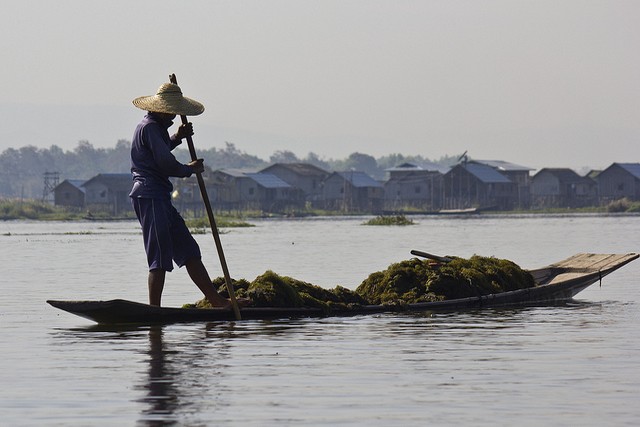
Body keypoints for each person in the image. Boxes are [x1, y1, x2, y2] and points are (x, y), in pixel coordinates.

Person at [130, 82, 232, 308]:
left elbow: (161, 150)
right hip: (149, 195)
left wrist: (177, 137)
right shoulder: (149, 127)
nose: (174, 117)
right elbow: (165, 163)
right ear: (160, 109)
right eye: (171, 113)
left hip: (161, 196)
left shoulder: (157, 129)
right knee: (159, 256)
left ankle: (216, 300)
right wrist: (189, 169)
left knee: (188, 248)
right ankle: (154, 310)